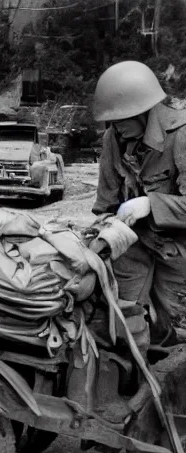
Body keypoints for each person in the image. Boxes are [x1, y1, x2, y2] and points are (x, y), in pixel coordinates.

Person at [91, 60, 186, 348]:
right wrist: (100, 233)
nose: (116, 129)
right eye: (112, 122)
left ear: (144, 111)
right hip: (133, 244)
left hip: (178, 249)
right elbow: (105, 205)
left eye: (122, 119)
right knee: (124, 319)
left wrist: (150, 203)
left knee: (175, 324)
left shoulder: (180, 134)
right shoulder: (114, 138)